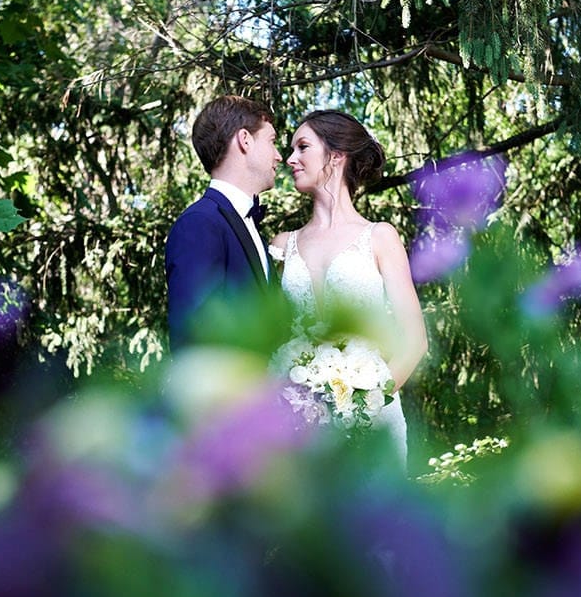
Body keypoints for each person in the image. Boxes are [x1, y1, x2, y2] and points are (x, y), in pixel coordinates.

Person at [269, 110, 427, 464]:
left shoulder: (380, 237)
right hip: (299, 434)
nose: (290, 159)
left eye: (303, 147)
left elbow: (415, 340)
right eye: (290, 149)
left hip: (373, 425)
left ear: (336, 156)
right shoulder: (282, 244)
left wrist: (364, 405)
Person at [165, 95, 282, 346]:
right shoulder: (199, 224)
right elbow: (193, 337)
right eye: (272, 142)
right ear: (245, 140)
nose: (279, 156)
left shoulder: (247, 225)